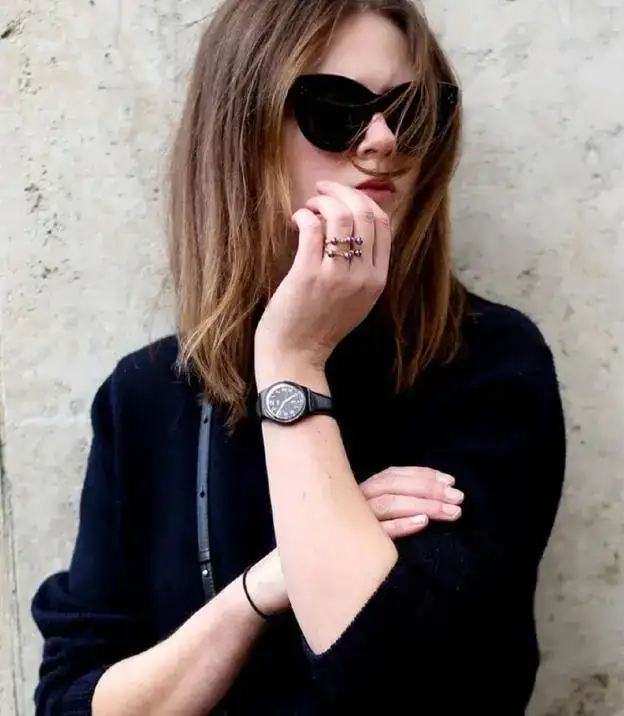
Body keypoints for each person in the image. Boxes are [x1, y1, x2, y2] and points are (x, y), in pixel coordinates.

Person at [29, 1, 566, 714]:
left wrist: (294, 362)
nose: (382, 141)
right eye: (334, 108)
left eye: (409, 111)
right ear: (242, 134)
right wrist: (265, 586)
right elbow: (72, 701)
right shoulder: (146, 396)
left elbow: (395, 685)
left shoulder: (486, 364)